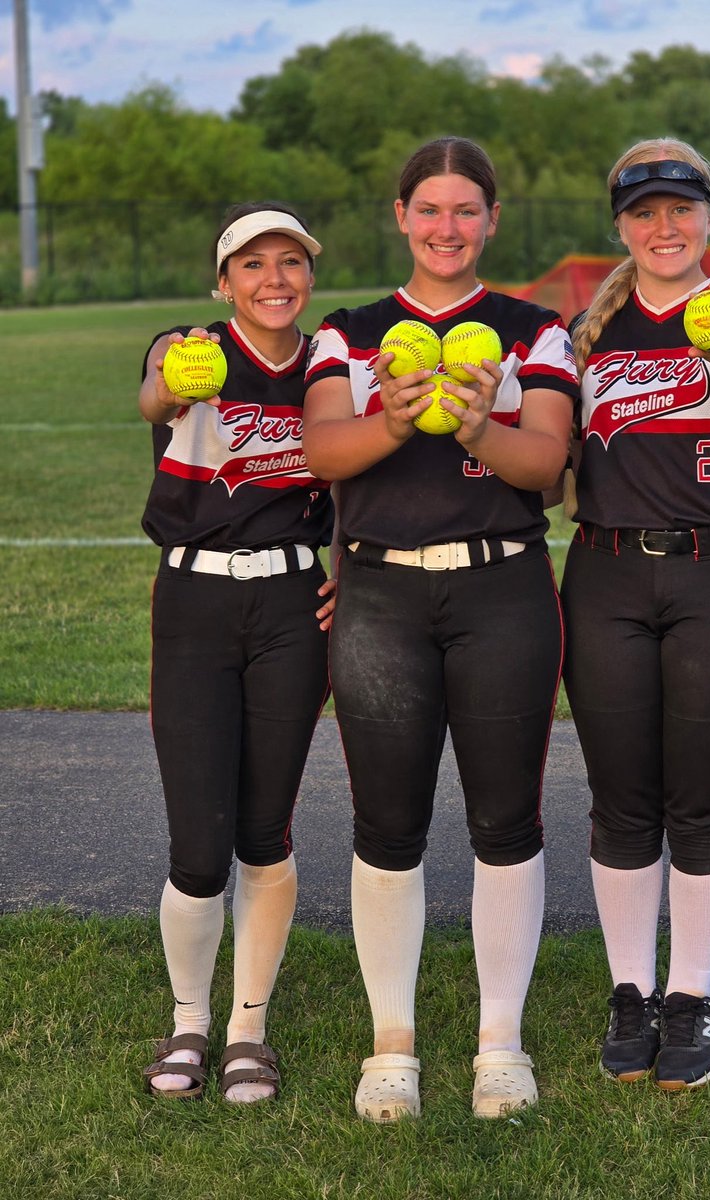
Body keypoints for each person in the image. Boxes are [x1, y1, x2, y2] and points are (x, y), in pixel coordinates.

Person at [302, 136, 580, 1121]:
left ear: (492, 221)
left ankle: (499, 1042)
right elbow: (324, 448)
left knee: (507, 823)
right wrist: (392, 418)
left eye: (468, 210)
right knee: (388, 828)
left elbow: (545, 465)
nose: (448, 227)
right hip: (382, 597)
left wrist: (472, 427)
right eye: (430, 209)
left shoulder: (531, 329)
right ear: (401, 216)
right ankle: (393, 1046)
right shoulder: (352, 330)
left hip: (501, 590)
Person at [561, 138, 710, 1091]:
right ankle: (631, 991)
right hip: (607, 577)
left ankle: (690, 996)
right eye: (644, 211)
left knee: (700, 800)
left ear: (709, 217)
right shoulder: (586, 327)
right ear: (620, 226)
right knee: (621, 798)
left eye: (681, 208)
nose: (664, 226)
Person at [138, 202, 335, 1103]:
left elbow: (365, 471)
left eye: (290, 262)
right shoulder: (190, 349)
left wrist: (356, 569)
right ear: (224, 283)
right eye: (252, 264)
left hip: (295, 602)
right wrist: (175, 384)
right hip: (196, 601)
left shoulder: (331, 367)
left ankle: (248, 1028)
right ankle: (188, 1021)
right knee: (198, 840)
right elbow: (155, 394)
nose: (274, 280)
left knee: (264, 829)